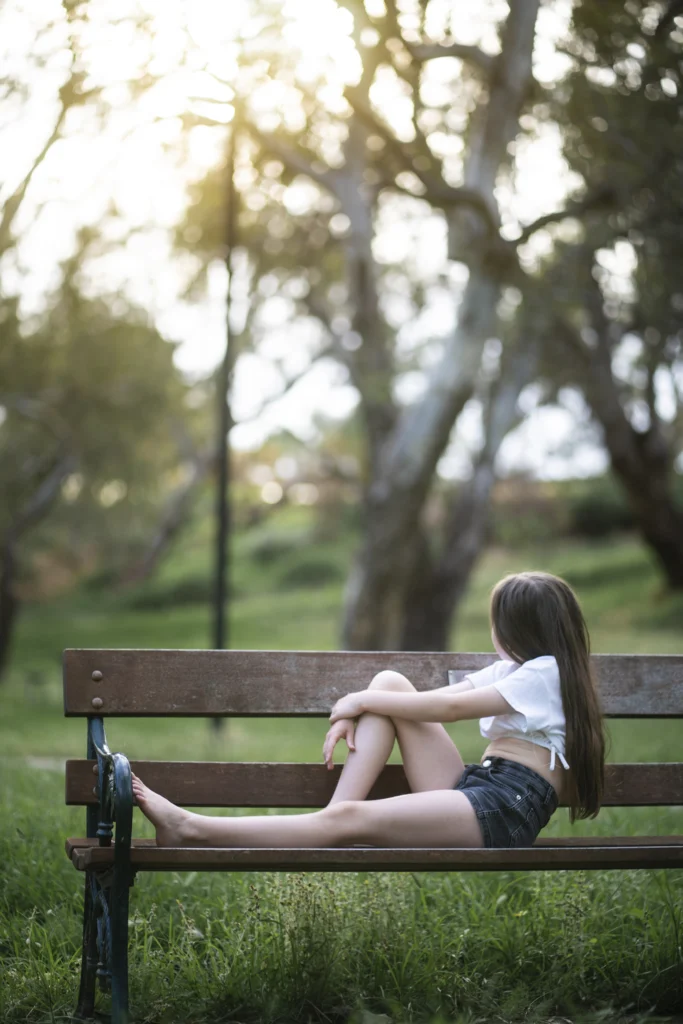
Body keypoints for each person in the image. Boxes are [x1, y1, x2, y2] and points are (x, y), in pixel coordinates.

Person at [131, 570, 607, 849]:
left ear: (518, 630)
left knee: (380, 696)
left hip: (507, 806)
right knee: (390, 681)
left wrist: (358, 701)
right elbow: (421, 702)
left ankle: (190, 828)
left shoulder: (546, 672)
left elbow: (451, 706)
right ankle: (333, 819)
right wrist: (368, 701)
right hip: (486, 786)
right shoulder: (518, 672)